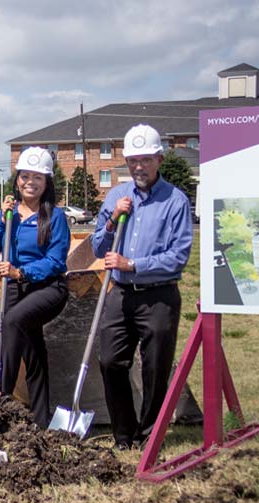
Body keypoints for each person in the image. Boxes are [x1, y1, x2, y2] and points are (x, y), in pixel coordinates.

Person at [91, 124, 193, 449]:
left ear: (159, 159)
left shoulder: (175, 201)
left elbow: (178, 257)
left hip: (159, 296)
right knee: (109, 361)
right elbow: (97, 247)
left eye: (145, 160)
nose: (138, 167)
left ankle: (150, 436)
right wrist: (110, 221)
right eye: (133, 160)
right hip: (120, 294)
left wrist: (133, 265)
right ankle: (125, 434)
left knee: (154, 368)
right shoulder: (115, 196)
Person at [0, 147, 71, 428]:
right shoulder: (10, 215)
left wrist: (21, 272)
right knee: (33, 352)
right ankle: (41, 419)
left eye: (38, 178)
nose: (30, 182)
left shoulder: (54, 217)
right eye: (25, 176)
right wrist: (2, 220)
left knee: (12, 321)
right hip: (15, 287)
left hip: (47, 288)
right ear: (17, 179)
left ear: (47, 183)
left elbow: (56, 261)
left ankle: (2, 399)